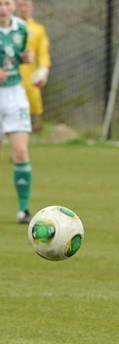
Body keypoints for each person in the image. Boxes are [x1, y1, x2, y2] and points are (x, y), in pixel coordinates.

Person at [0, 0, 34, 224]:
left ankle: (23, 210)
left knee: (20, 151)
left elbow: (17, 54)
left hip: (14, 94)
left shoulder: (22, 28)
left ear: (14, 6)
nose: (3, 8)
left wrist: (26, 59)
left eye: (6, 3)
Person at [16, 0, 51, 133]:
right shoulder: (7, 28)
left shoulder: (38, 30)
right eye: (20, 5)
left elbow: (43, 54)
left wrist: (43, 71)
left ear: (32, 7)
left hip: (30, 81)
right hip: (8, 80)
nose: (23, 8)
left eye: (26, 5)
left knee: (29, 118)